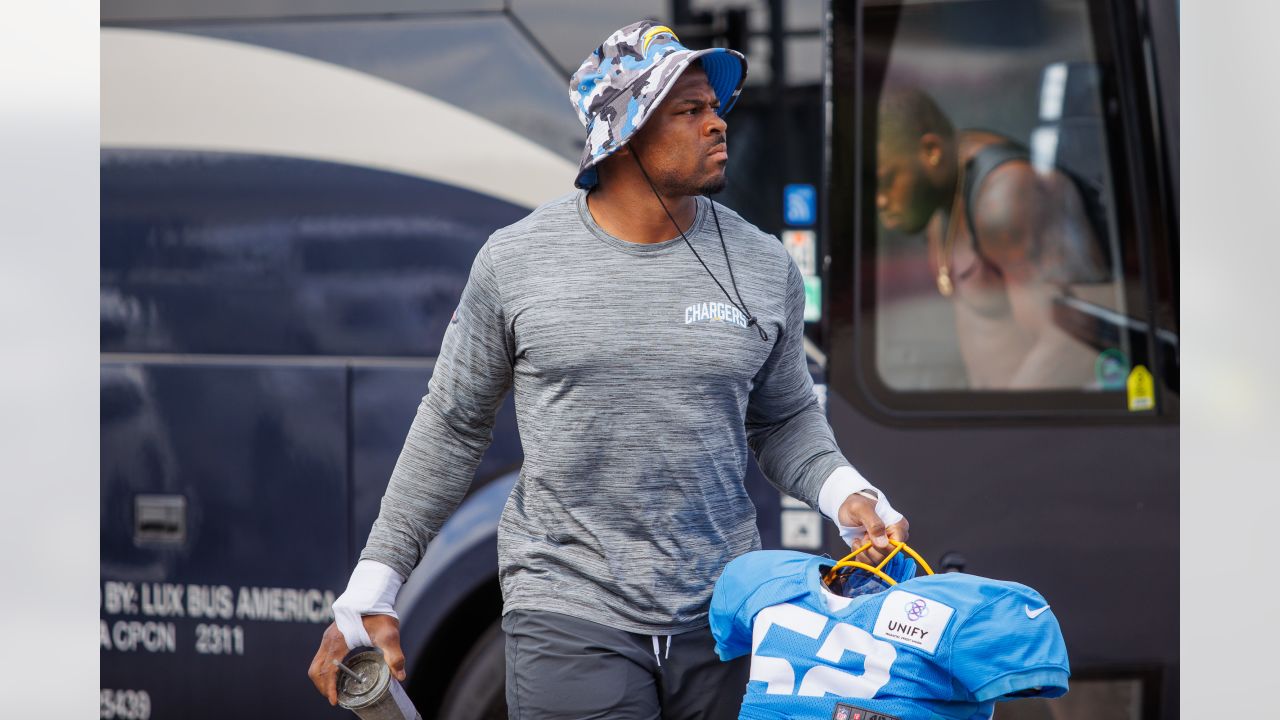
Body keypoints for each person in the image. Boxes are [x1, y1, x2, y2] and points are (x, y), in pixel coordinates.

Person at [308, 21, 910, 719]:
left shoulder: (761, 263)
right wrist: (372, 591)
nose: (718, 124)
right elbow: (449, 427)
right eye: (690, 110)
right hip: (568, 613)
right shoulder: (517, 262)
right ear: (623, 133)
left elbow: (784, 419)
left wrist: (847, 493)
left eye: (716, 108)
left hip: (725, 616)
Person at [875, 87, 1108, 390]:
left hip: (1038, 428)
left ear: (931, 151)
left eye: (885, 181)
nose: (879, 201)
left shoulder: (1005, 198)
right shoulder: (939, 199)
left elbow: (1073, 343)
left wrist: (998, 428)